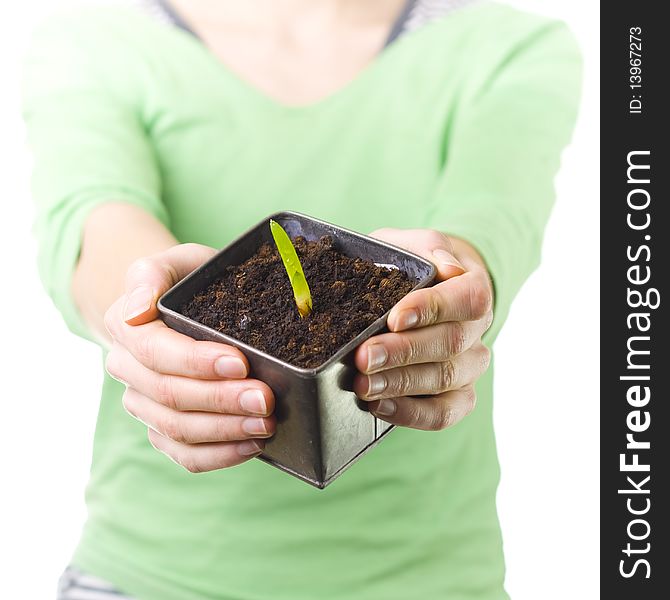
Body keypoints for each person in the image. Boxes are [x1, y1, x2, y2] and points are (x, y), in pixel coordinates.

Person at [22, 0, 581, 598]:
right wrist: (152, 314)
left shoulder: (509, 45)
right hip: (150, 574)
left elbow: (494, 223)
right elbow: (95, 222)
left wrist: (454, 291)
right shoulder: (95, 39)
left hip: (423, 578)